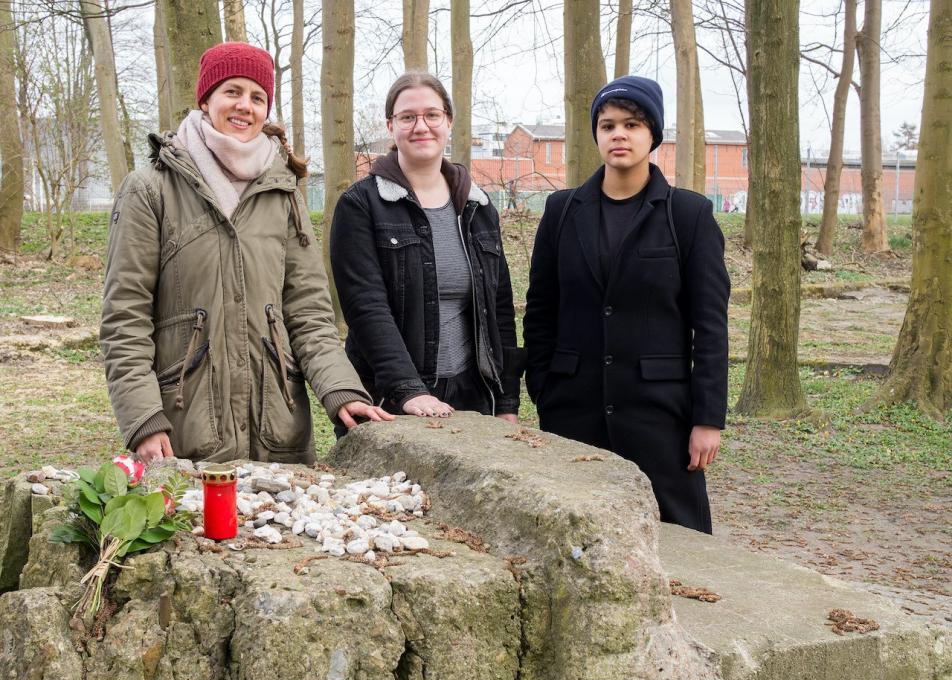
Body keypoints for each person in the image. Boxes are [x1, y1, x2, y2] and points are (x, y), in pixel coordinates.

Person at [100, 41, 391, 466]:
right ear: (206, 98)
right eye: (232, 91)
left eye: (257, 97)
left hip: (279, 430)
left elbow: (309, 311)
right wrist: (144, 418)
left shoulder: (283, 190)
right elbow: (124, 316)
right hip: (184, 432)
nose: (245, 106)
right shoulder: (151, 188)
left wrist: (341, 388)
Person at [523, 76, 730, 534]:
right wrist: (545, 387)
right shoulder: (561, 212)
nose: (619, 134)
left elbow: (710, 326)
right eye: (608, 124)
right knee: (575, 538)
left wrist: (708, 419)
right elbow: (540, 311)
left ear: (652, 135)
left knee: (680, 541)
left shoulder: (688, 215)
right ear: (596, 134)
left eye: (632, 124)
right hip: (573, 412)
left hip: (660, 416)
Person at [330, 72, 523, 430]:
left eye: (432, 115)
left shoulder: (479, 208)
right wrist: (409, 390)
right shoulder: (361, 205)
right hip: (388, 399)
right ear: (391, 126)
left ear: (448, 122)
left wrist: (506, 399)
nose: (422, 126)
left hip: (472, 396)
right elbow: (366, 308)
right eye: (407, 117)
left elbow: (498, 310)